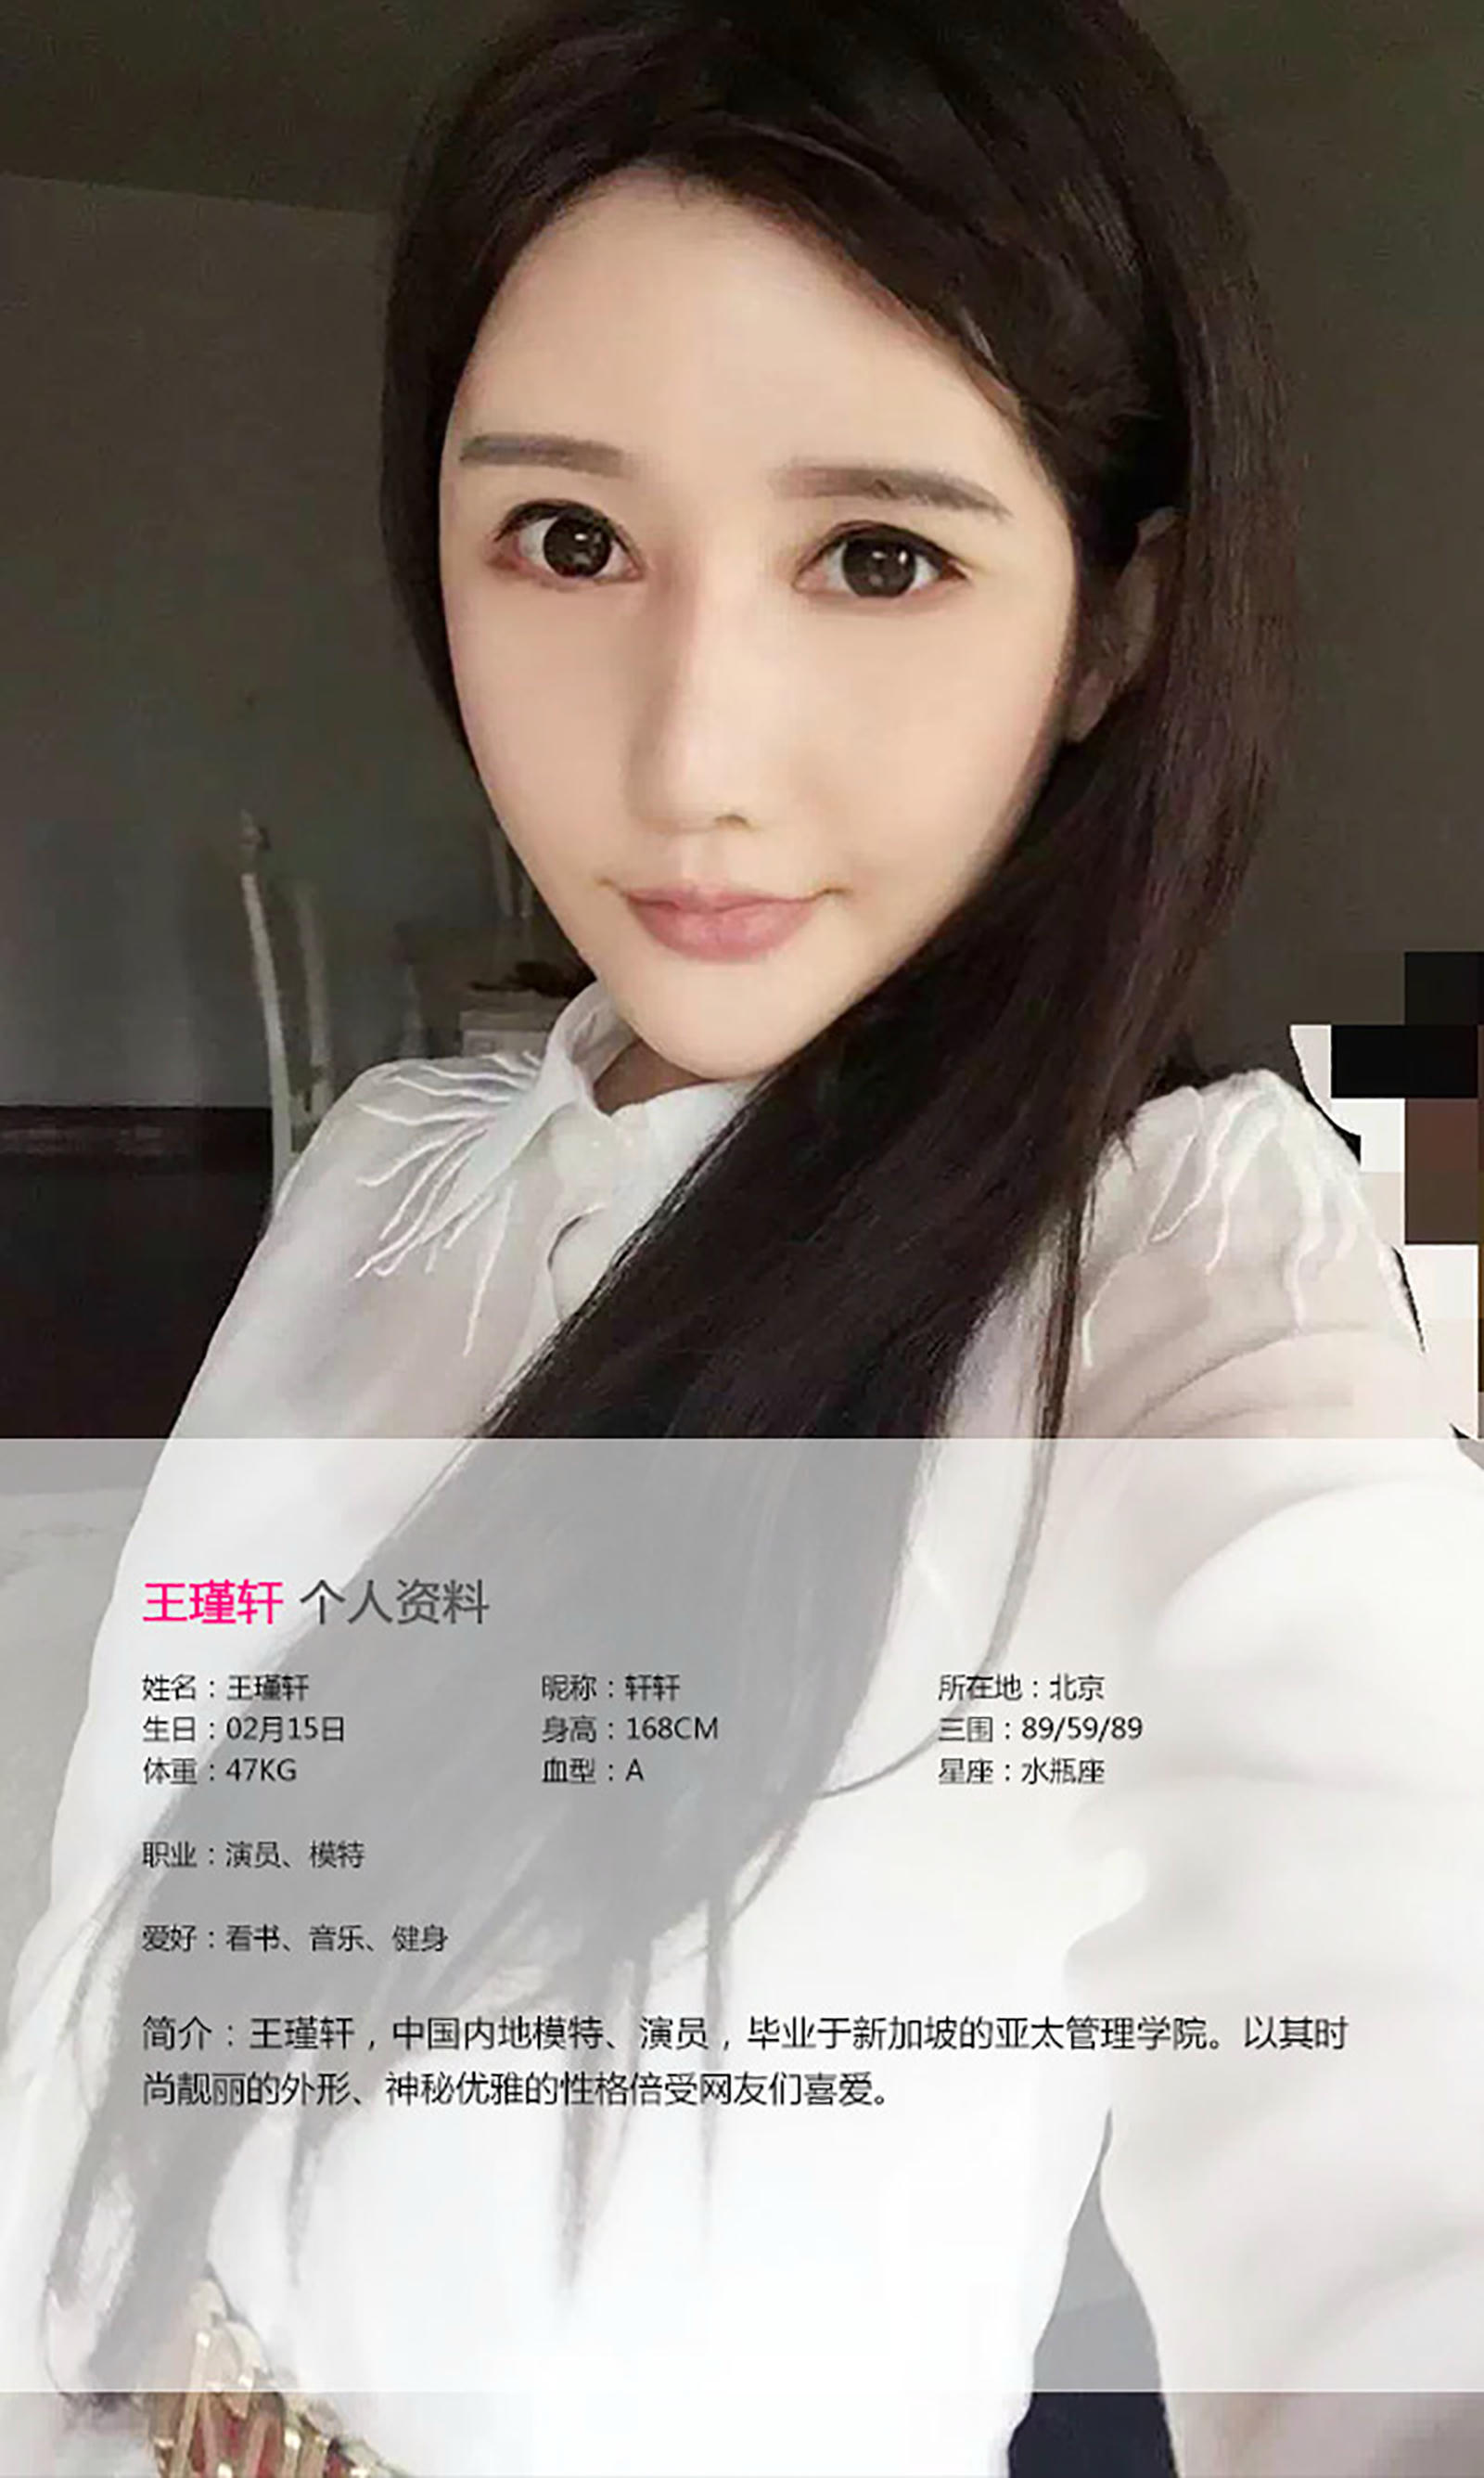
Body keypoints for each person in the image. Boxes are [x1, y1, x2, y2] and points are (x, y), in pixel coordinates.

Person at [3, 0, 1483, 2472]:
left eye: (879, 556)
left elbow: (1404, 2129)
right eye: (569, 540)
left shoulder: (1179, 1301)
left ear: (1115, 625)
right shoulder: (388, 1177)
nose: (689, 753)